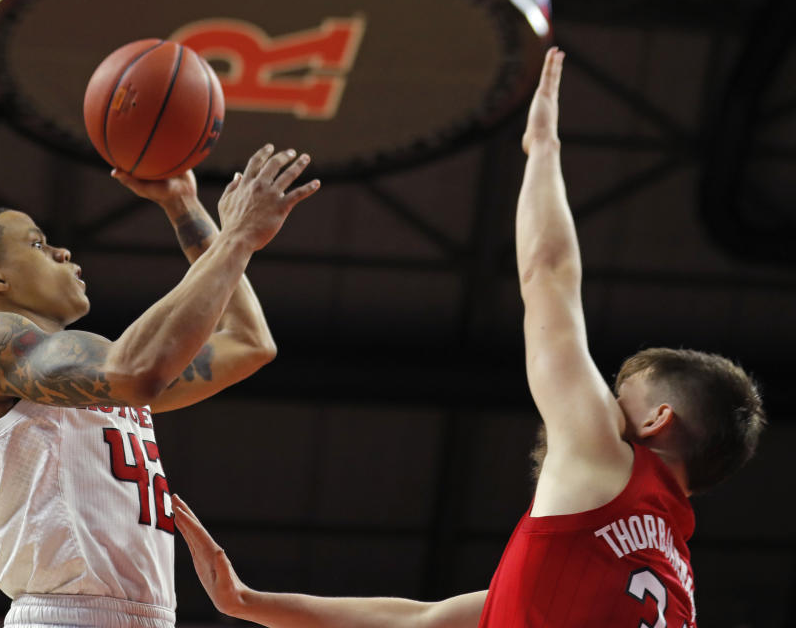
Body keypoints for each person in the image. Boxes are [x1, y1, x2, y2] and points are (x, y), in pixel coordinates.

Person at [169, 48, 766, 627]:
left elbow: (548, 278)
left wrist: (543, 148)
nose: (599, 400)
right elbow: (422, 620)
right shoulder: (669, 579)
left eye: (618, 392)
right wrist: (246, 603)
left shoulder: (605, 461)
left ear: (658, 420)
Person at [0, 144, 319, 627]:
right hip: (66, 616)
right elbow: (137, 373)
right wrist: (236, 236)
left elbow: (247, 342)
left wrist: (183, 206)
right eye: (36, 243)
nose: (62, 250)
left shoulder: (86, 371)